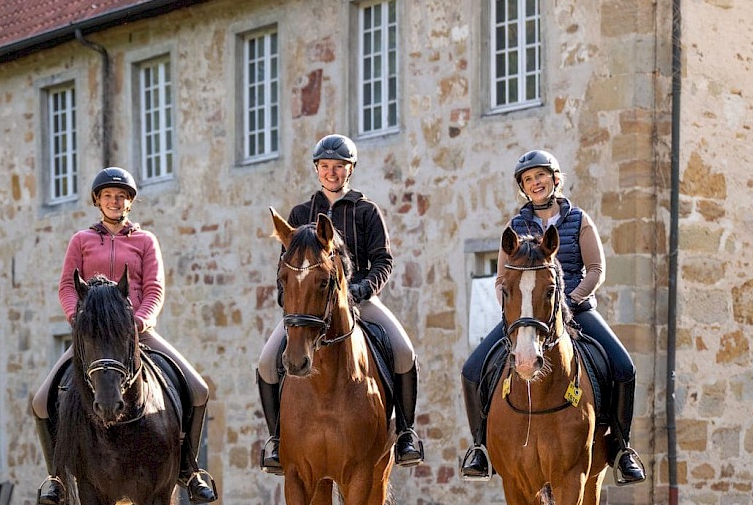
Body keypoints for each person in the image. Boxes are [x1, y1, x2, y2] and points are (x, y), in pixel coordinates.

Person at [32, 167, 218, 505]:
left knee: (199, 389)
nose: (114, 202)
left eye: (121, 197)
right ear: (98, 201)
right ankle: (56, 478)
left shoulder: (145, 241)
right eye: (108, 196)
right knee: (42, 400)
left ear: (129, 202)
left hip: (136, 333)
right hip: (93, 337)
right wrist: (77, 318)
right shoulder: (81, 241)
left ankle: (190, 470)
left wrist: (139, 321)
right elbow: (67, 286)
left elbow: (154, 288)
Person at [460, 149, 646, 485]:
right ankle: (480, 448)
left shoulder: (579, 220)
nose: (535, 183)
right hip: (526, 315)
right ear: (523, 187)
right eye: (528, 179)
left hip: (575, 309)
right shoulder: (515, 227)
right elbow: (502, 280)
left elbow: (596, 270)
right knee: (472, 370)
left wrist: (569, 302)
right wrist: (515, 310)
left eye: (540, 176)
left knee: (624, 367)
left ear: (555, 179)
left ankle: (621, 448)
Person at [256, 133, 425, 473]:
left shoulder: (366, 210)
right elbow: (285, 268)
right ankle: (277, 440)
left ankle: (406, 433)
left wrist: (360, 290)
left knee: (404, 353)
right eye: (325, 166)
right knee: (266, 363)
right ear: (317, 169)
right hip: (311, 307)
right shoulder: (300, 213)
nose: (331, 172)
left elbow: (383, 261)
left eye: (339, 166)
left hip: (358, 300)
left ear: (350, 169)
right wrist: (289, 301)